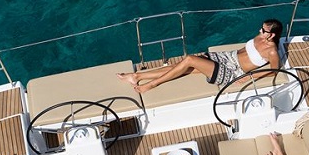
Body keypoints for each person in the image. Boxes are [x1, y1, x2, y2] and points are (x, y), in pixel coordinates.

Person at [117, 19, 284, 93]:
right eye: (261, 28)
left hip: (233, 72)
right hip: (227, 58)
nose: (260, 31)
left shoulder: (271, 51)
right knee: (181, 67)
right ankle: (137, 76)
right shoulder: (260, 36)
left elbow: (274, 71)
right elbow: (245, 50)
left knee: (189, 60)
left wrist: (249, 76)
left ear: (272, 35)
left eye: (264, 30)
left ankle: (152, 84)